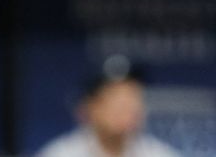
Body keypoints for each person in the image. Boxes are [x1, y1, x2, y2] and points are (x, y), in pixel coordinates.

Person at [36, 58, 181, 157]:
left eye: (132, 98)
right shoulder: (61, 154)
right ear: (90, 108)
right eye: (116, 100)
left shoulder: (158, 154)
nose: (127, 108)